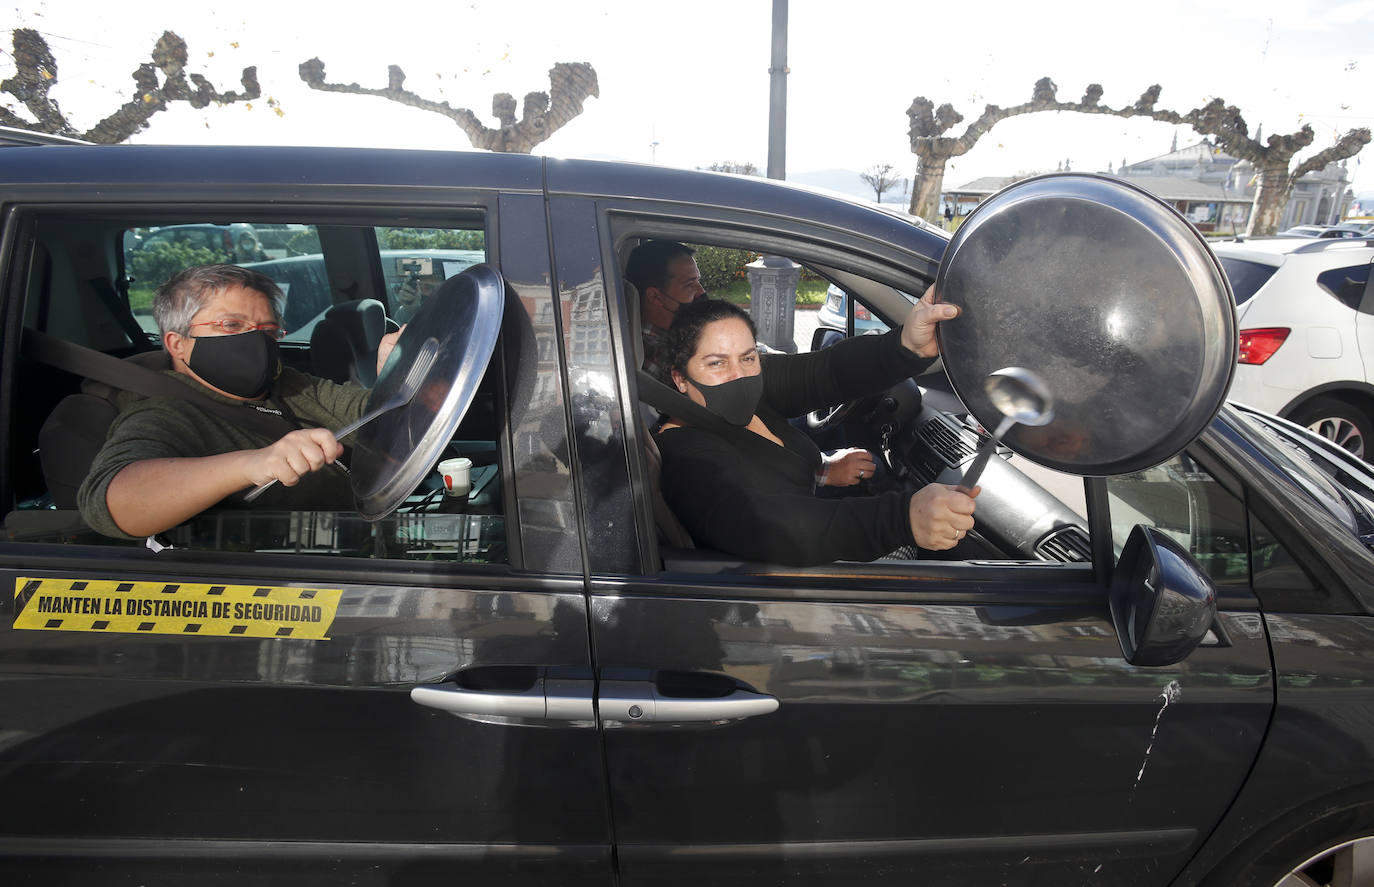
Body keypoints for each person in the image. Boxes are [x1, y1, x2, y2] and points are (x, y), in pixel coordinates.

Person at [77, 264, 402, 540]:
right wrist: (253, 464)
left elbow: (380, 418)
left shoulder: (291, 386)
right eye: (231, 325)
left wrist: (396, 374)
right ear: (177, 344)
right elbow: (112, 501)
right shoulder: (165, 413)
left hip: (369, 534)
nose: (256, 340)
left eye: (269, 331)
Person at [654, 293, 977, 566]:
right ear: (680, 377)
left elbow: (827, 372)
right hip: (783, 586)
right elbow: (775, 526)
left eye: (748, 357)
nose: (740, 375)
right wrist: (904, 518)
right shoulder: (685, 456)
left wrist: (906, 346)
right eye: (716, 363)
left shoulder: (754, 390)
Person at [624, 239, 706, 383]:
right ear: (655, 296)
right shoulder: (660, 356)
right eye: (689, 285)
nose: (701, 292)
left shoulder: (674, 334)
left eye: (698, 281)